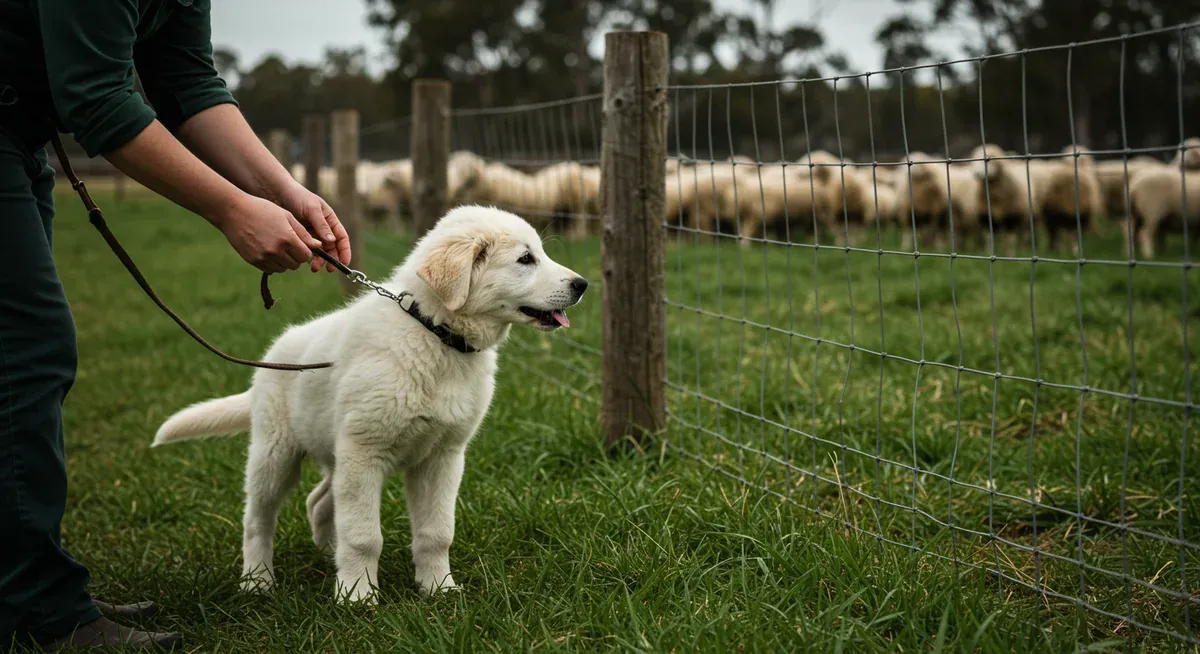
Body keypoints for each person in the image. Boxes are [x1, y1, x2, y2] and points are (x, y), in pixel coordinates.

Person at [0, 0, 352, 649]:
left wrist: (284, 191)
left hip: (19, 134)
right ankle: (43, 610)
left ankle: (28, 586)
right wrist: (231, 210)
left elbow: (189, 81)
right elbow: (99, 98)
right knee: (27, 355)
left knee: (19, 362)